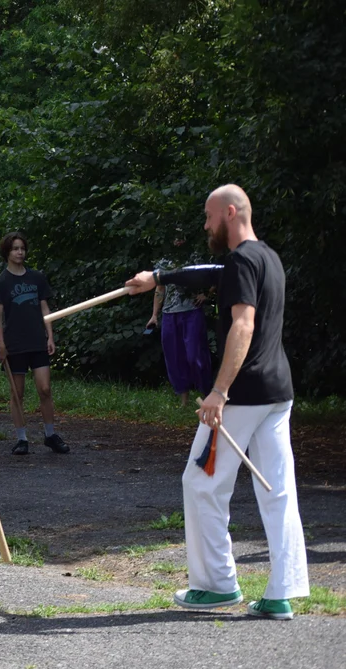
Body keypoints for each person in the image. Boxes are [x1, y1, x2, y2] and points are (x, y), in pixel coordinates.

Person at [126, 184, 308, 620]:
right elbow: (207, 273)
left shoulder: (242, 260)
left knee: (201, 483)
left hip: (241, 396)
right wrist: (159, 278)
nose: (205, 225)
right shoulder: (266, 257)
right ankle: (282, 593)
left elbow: (242, 325)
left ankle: (216, 585)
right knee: (278, 491)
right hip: (276, 393)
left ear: (229, 212)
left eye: (208, 217)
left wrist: (219, 391)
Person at [0, 231, 69, 455]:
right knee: (17, 393)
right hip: (14, 343)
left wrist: (50, 336)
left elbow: (45, 308)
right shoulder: (1, 282)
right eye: (15, 248)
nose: (19, 252)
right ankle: (22, 439)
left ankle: (50, 434)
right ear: (7, 252)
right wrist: (1, 345)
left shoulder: (36, 277)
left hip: (37, 341)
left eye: (22, 248)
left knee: (45, 389)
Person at [147, 237, 215, 406]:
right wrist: (154, 315)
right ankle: (184, 401)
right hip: (169, 314)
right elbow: (159, 288)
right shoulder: (165, 262)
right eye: (175, 236)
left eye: (181, 236)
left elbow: (214, 277)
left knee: (195, 355)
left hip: (191, 312)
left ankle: (207, 395)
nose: (178, 240)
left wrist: (206, 295)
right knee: (174, 357)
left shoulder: (195, 258)